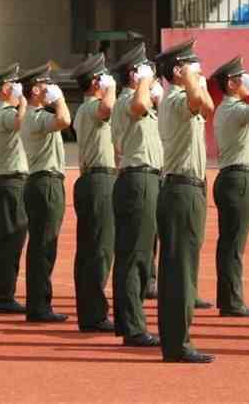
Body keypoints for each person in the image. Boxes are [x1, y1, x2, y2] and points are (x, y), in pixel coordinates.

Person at [155, 38, 215, 364]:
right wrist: (190, 77)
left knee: (182, 267)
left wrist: (192, 78)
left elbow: (208, 105)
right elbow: (200, 101)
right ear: (178, 71)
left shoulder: (180, 97)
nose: (199, 70)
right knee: (180, 269)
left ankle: (176, 340)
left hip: (186, 188)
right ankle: (177, 344)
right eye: (193, 64)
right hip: (181, 189)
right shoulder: (177, 98)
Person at [210, 56, 249, 318]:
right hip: (239, 178)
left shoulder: (226, 109)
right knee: (234, 243)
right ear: (232, 84)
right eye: (241, 77)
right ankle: (232, 301)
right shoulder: (235, 109)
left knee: (229, 242)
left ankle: (228, 298)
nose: (246, 80)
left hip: (230, 177)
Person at [110, 43, 164, 348]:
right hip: (138, 178)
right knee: (135, 256)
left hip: (148, 178)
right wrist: (144, 80)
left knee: (142, 255)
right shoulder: (128, 100)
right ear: (134, 73)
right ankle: (133, 327)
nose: (154, 75)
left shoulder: (140, 100)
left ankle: (129, 321)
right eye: (147, 69)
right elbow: (141, 105)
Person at [18, 63, 72, 323]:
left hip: (44, 182)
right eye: (45, 84)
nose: (50, 87)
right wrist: (59, 98)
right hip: (45, 183)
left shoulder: (37, 115)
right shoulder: (36, 116)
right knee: (43, 247)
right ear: (35, 90)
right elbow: (64, 120)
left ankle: (39, 303)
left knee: (43, 246)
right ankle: (39, 306)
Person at [71, 53, 117, 333]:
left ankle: (90, 312)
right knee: (98, 250)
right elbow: (108, 109)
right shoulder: (91, 108)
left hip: (98, 179)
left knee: (93, 249)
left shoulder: (87, 109)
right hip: (98, 180)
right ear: (96, 82)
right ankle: (94, 314)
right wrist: (110, 88)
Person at [0, 63, 28, 315]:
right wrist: (23, 100)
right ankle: (2, 297)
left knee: (8, 242)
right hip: (10, 182)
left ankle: (3, 294)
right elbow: (21, 120)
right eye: (14, 85)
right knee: (8, 243)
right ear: (5, 89)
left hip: (6, 181)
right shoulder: (3, 112)